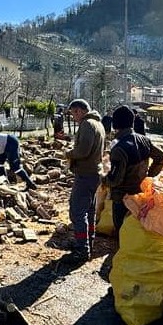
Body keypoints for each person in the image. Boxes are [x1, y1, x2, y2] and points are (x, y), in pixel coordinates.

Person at [105, 105, 163, 233]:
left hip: (122, 198)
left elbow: (115, 180)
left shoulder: (119, 148)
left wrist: (102, 179)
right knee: (135, 230)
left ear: (115, 124)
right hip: (140, 195)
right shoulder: (144, 140)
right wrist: (149, 176)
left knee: (121, 230)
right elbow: (161, 157)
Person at [65, 98, 105, 261]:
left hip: (86, 174)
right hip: (94, 173)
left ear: (80, 111)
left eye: (73, 113)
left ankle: (82, 250)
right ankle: (88, 242)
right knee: (89, 211)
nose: (73, 117)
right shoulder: (98, 124)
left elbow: (83, 151)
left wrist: (69, 153)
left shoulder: (87, 124)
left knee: (77, 212)